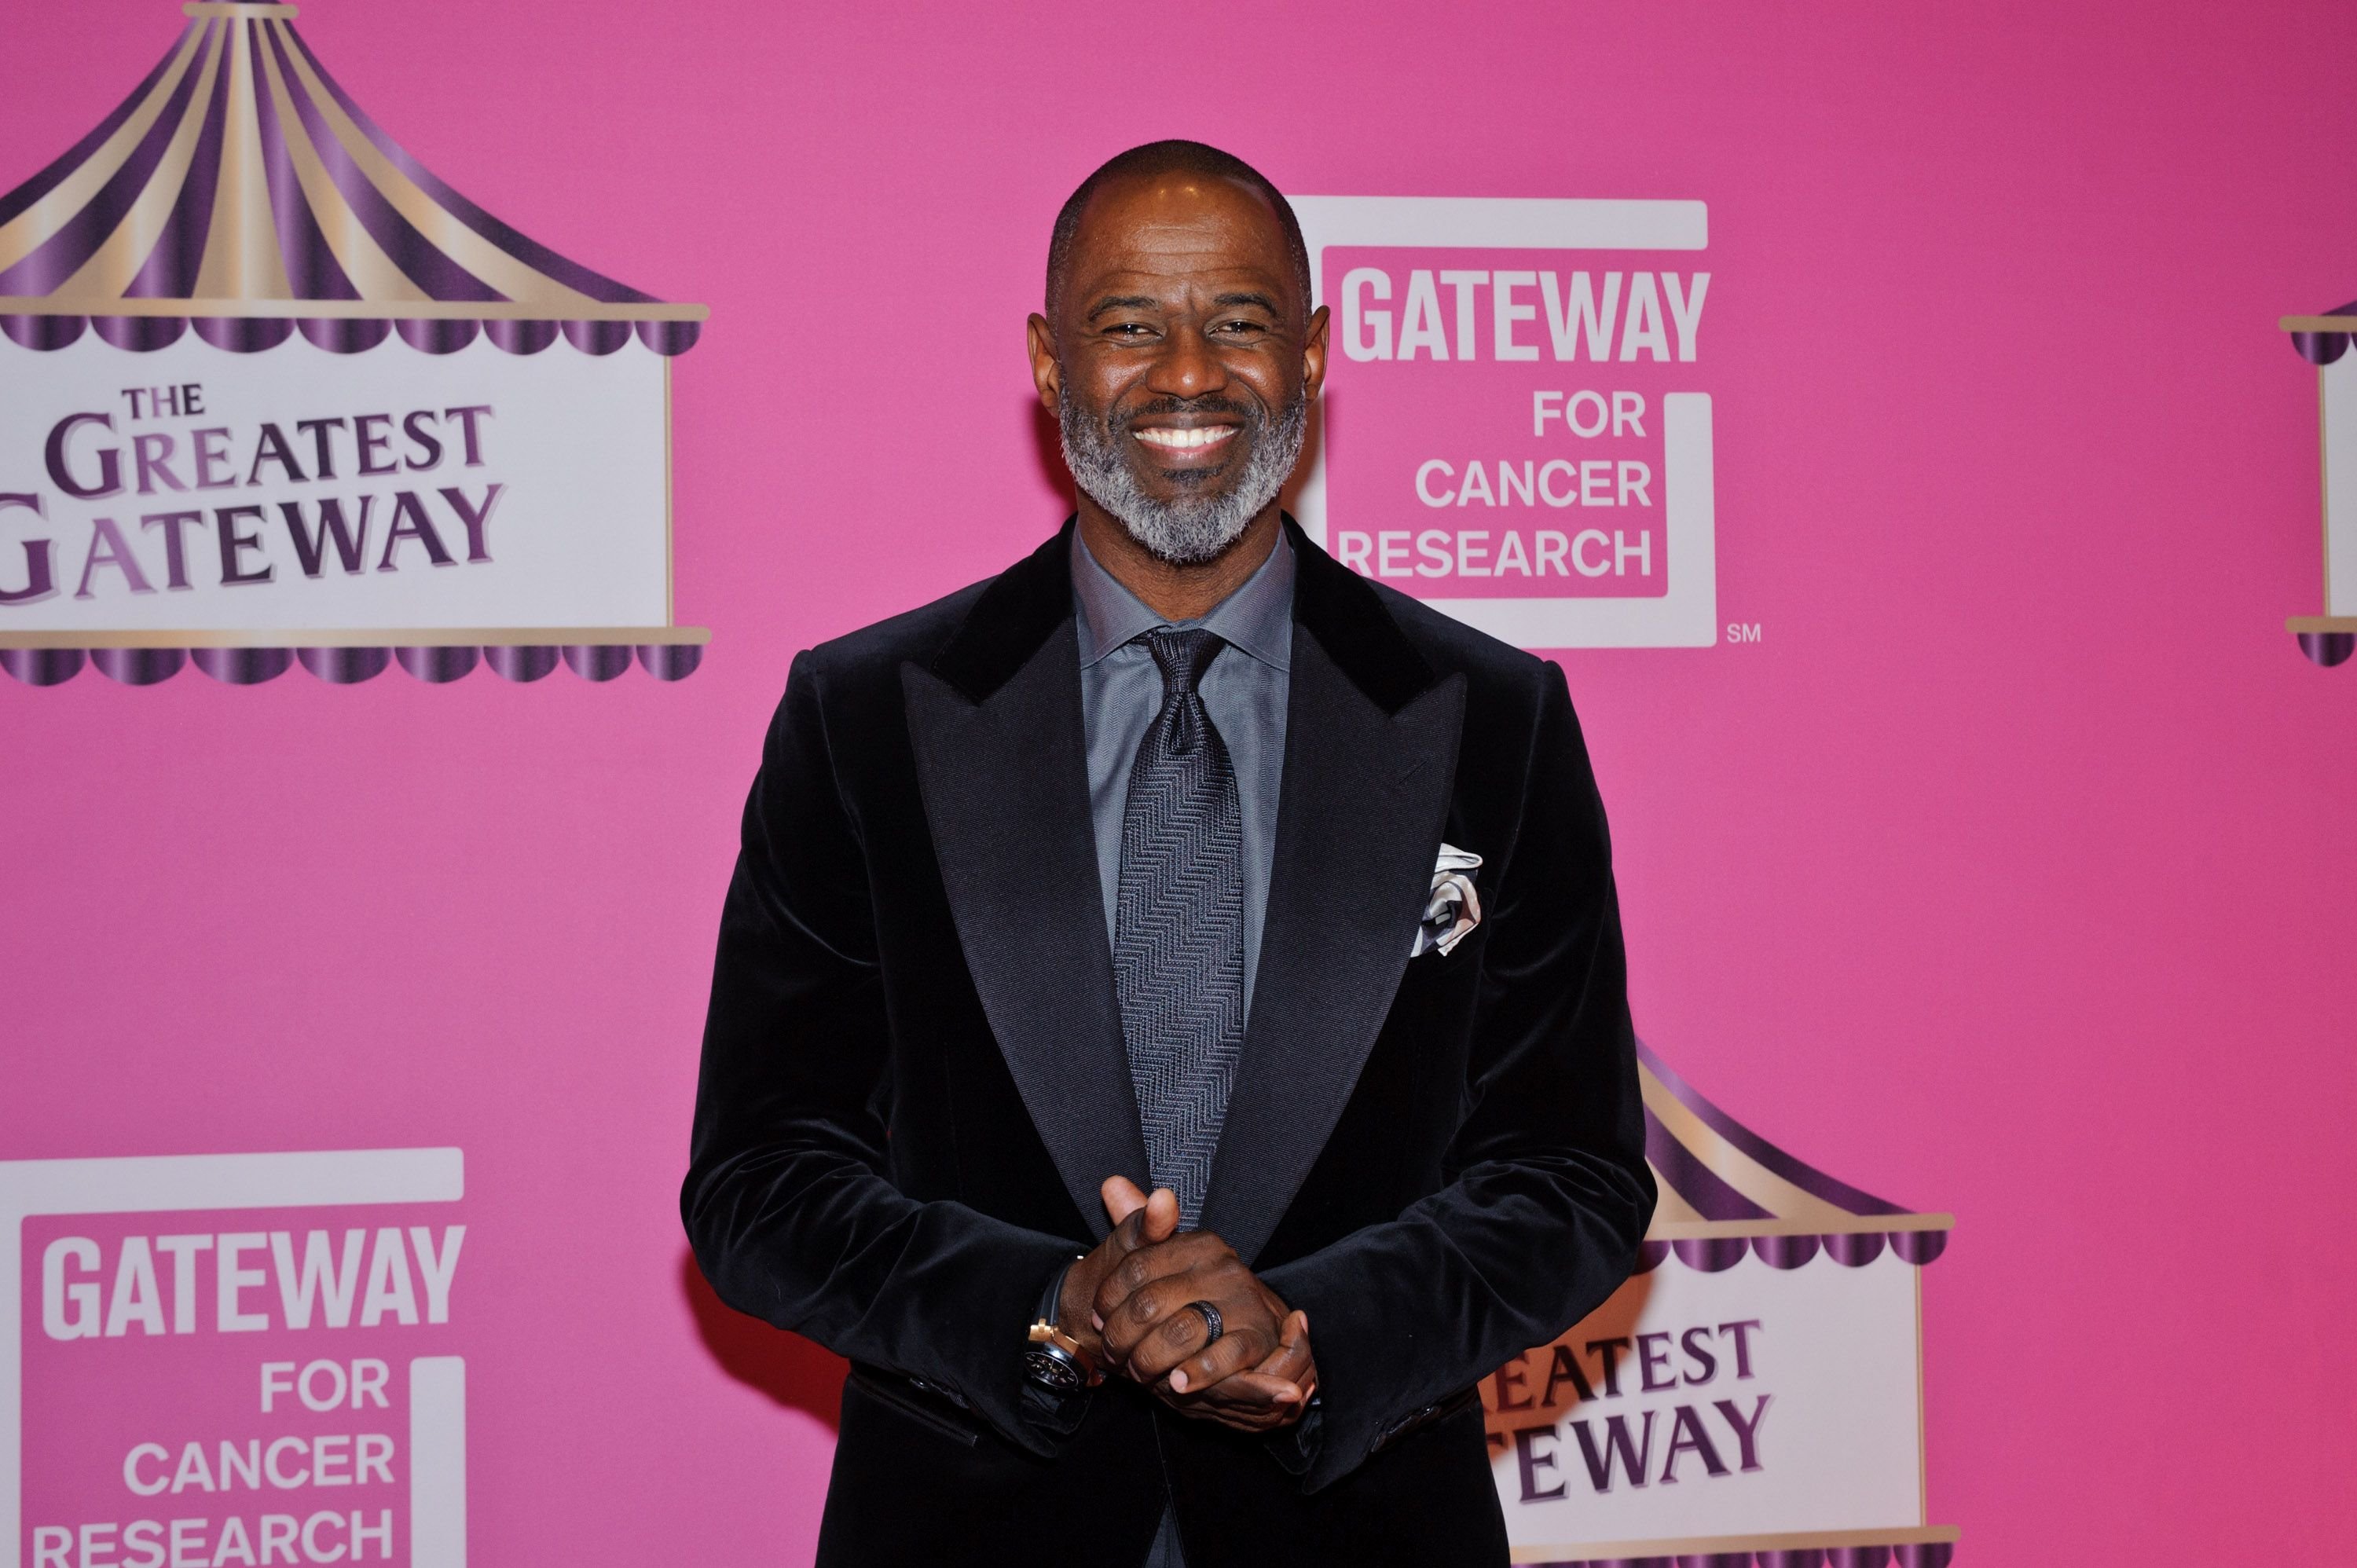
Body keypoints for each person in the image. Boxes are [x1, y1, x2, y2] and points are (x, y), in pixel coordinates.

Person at [683, 139, 1655, 1567]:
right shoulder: (866, 718)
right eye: (1131, 323)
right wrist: (1055, 1308)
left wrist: (1320, 1338)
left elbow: (1571, 1174)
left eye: (1240, 322)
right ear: (1047, 359)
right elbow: (759, 1177)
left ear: (1314, 356)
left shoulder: (1494, 721)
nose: (1188, 374)